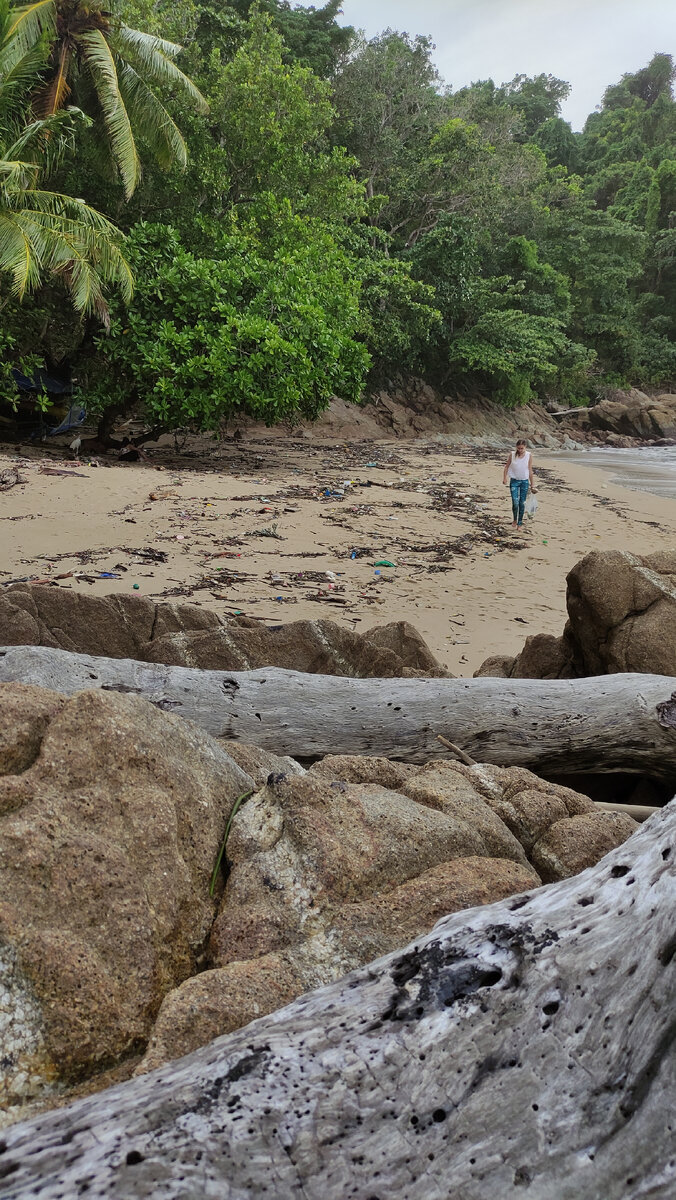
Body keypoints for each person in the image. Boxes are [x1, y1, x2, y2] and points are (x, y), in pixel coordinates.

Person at [503, 439, 537, 529]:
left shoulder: (529, 455)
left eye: (522, 448)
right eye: (518, 448)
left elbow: (530, 470)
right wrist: (505, 478)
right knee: (515, 502)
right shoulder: (512, 455)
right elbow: (506, 467)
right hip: (514, 481)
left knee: (522, 503)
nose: (520, 450)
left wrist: (532, 484)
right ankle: (514, 519)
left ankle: (520, 522)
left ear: (525, 447)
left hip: (524, 481)